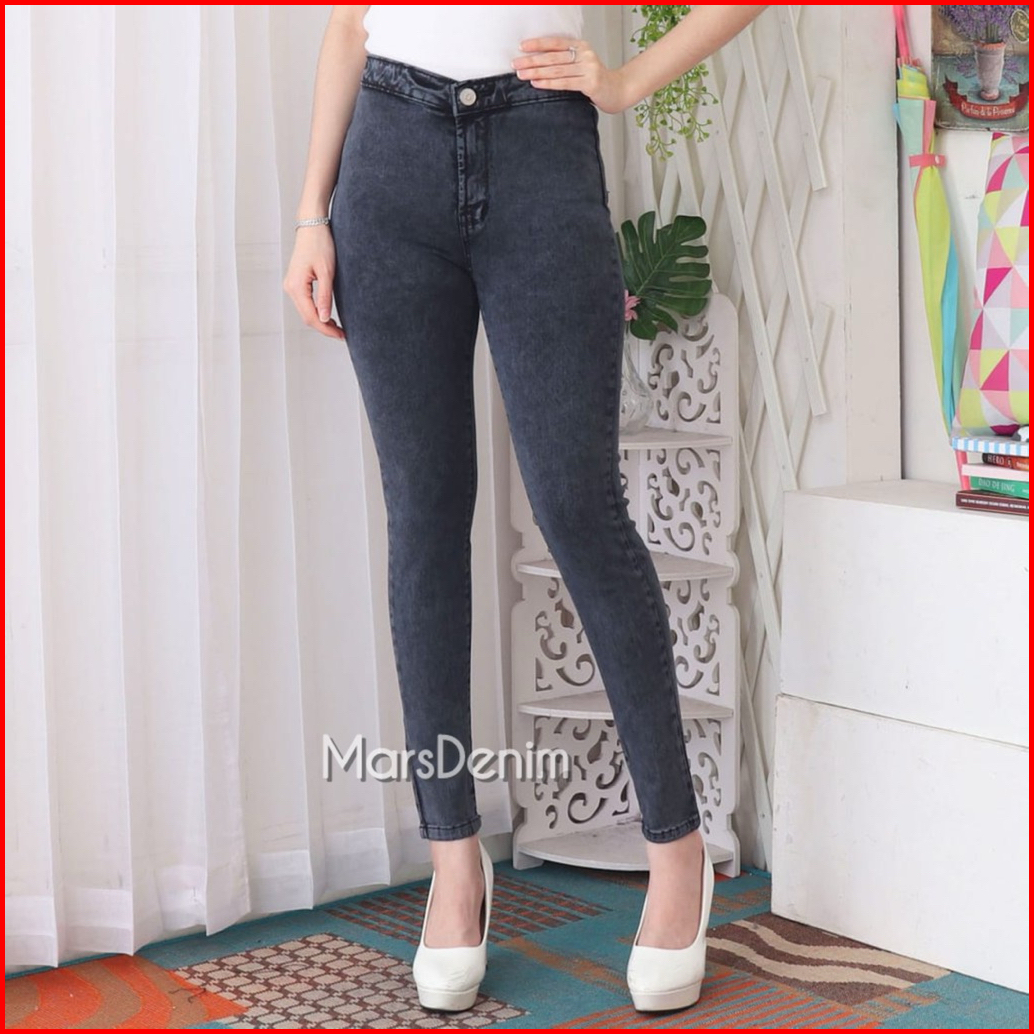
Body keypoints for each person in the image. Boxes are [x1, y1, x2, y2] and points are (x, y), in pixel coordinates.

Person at [284, 4, 765, 1013]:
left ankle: (676, 851)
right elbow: (348, 25)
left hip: (541, 149)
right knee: (423, 520)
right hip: (388, 161)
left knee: (578, 509)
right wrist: (310, 214)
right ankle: (455, 863)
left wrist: (624, 84)